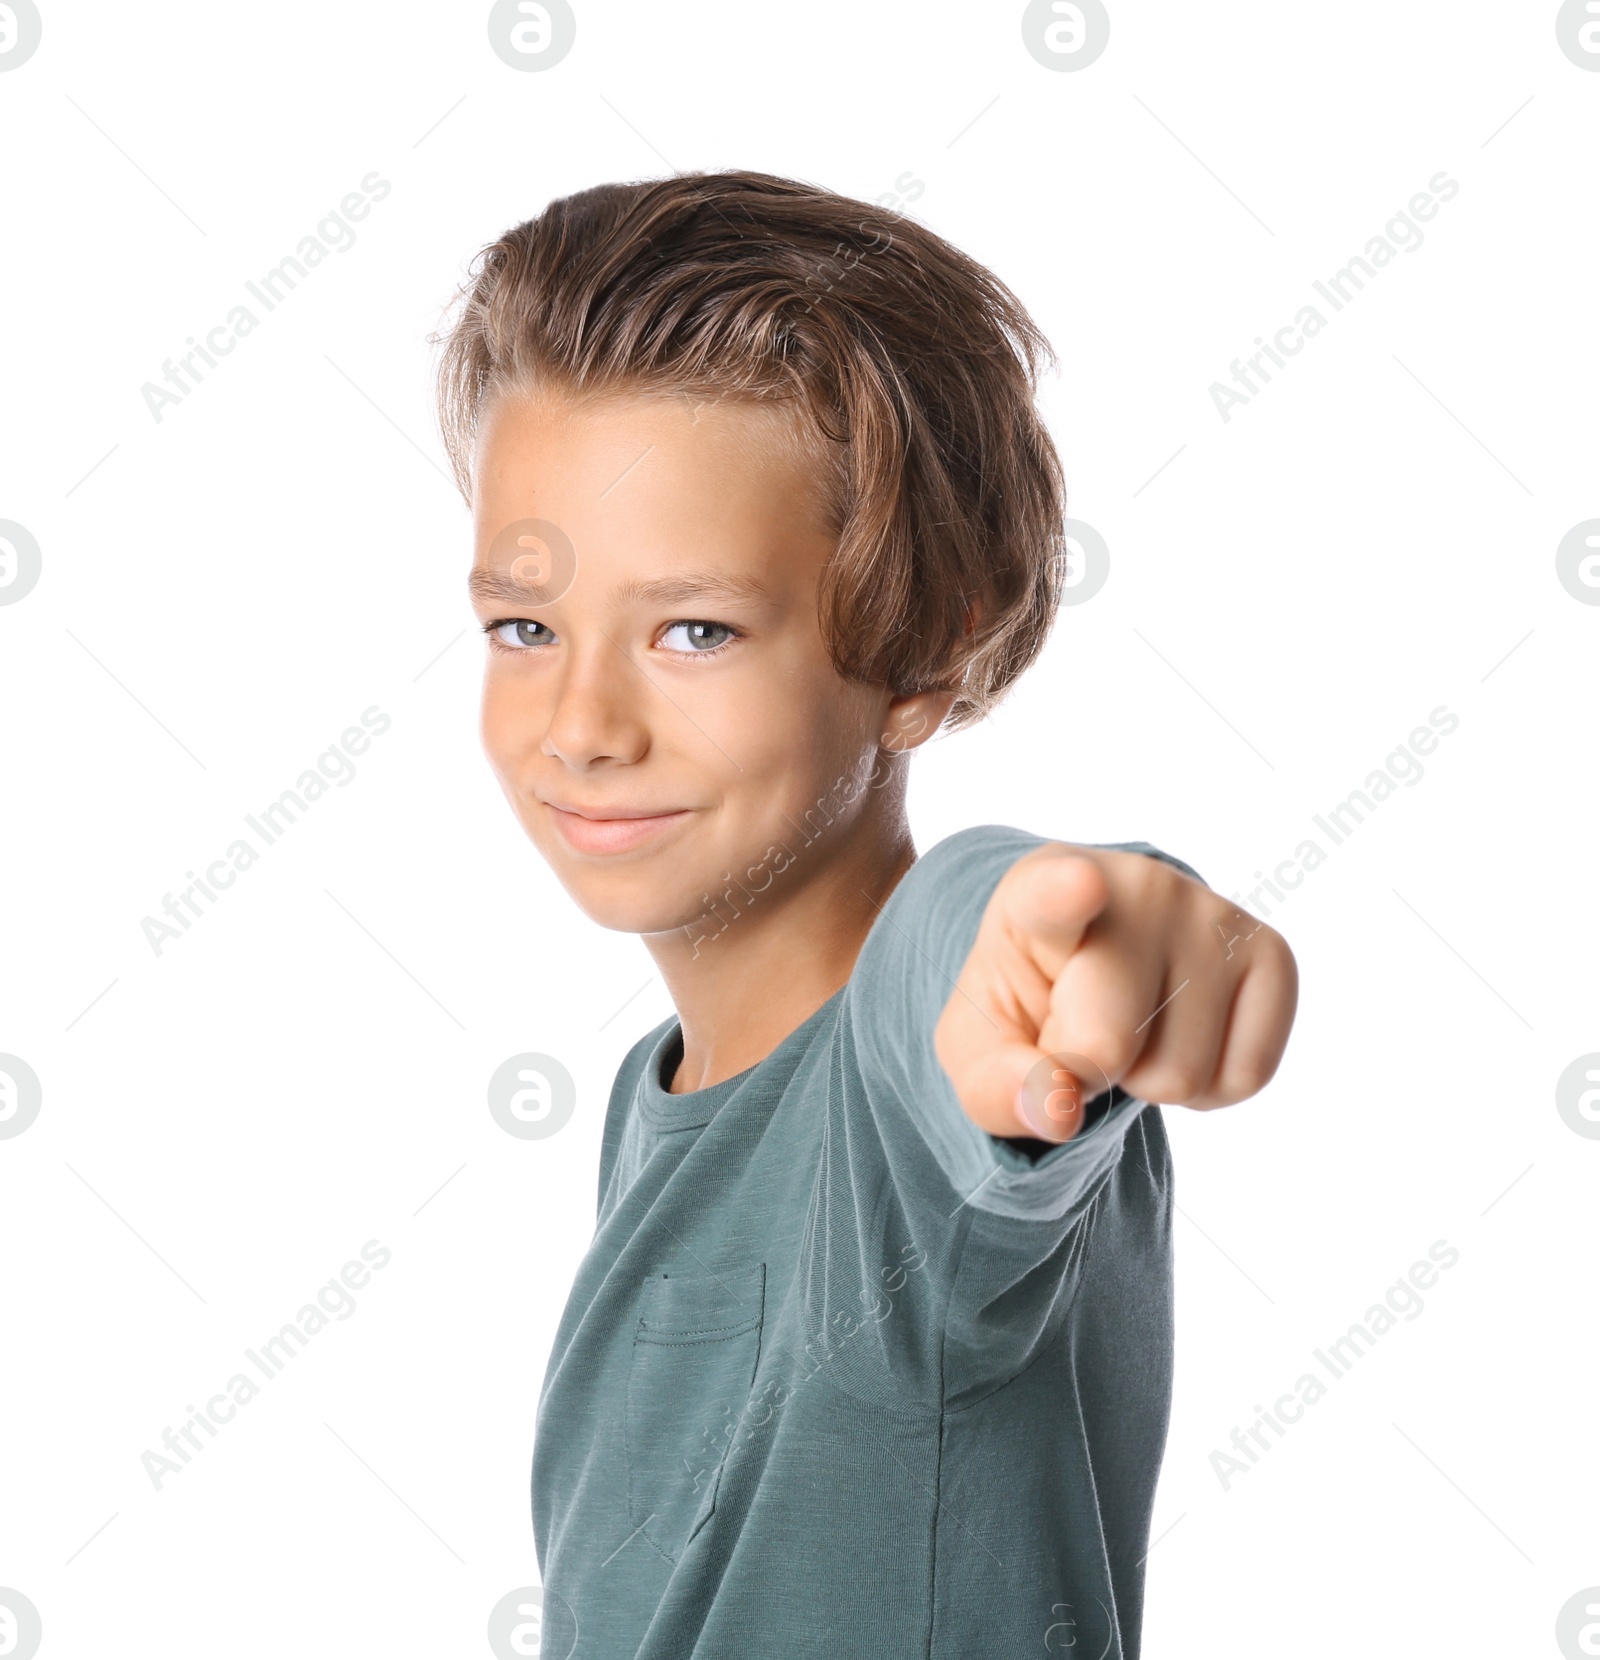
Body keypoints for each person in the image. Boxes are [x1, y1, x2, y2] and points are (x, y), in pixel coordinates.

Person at [433, 169, 1297, 1659]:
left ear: (919, 651)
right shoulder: (669, 1101)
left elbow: (977, 958)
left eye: (693, 629)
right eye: (527, 626)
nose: (580, 723)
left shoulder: (923, 1088)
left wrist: (1097, 946)